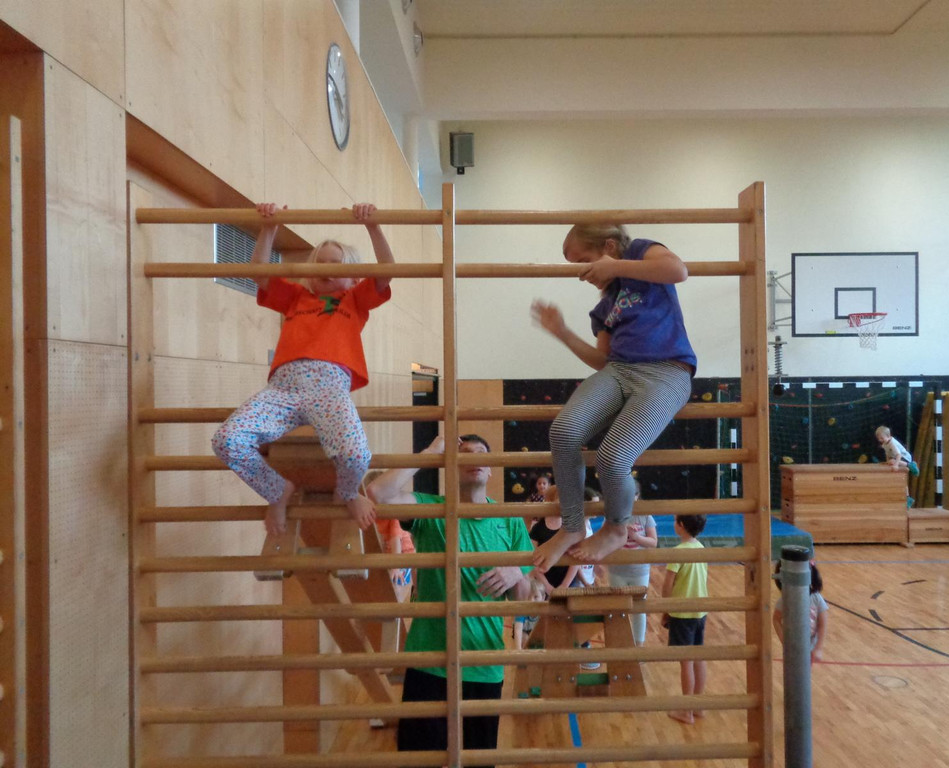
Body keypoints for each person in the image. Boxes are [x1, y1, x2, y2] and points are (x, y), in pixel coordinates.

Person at [212, 202, 394, 535]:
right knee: (227, 441)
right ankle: (277, 490)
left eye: (336, 264)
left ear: (354, 277)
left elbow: (386, 272)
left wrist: (373, 225)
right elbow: (259, 273)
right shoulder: (296, 297)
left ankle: (348, 493)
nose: (326, 269)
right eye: (319, 262)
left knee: (356, 456)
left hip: (330, 390)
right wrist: (269, 227)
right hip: (283, 390)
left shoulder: (354, 300)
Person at [531, 224, 696, 571]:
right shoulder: (605, 305)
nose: (584, 274)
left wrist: (616, 265)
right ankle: (573, 526)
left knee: (612, 457)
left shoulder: (640, 254)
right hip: (619, 371)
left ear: (608, 246)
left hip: (667, 371)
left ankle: (617, 528)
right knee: (563, 432)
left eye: (585, 262)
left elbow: (678, 270)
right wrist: (562, 332)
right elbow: (602, 359)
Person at [366, 434, 532, 763]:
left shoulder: (510, 519)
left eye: (480, 453)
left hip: (483, 666)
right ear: (451, 467)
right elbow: (376, 493)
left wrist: (516, 572)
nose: (473, 458)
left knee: (478, 762)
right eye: (464, 453)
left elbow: (524, 601)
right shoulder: (432, 509)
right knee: (418, 759)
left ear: (491, 468)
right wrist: (432, 451)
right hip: (429, 663)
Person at [661, 514, 708, 725]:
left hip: (682, 613)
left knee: (686, 661)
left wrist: (665, 609)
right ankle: (697, 705)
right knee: (698, 656)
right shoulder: (700, 548)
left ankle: (687, 711)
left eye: (675, 521)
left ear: (680, 525)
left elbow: (667, 584)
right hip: (700, 611)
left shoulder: (678, 552)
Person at [604, 478, 657, 646]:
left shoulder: (645, 516)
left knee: (639, 609)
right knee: (618, 608)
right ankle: (619, 642)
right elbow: (606, 539)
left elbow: (653, 542)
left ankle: (638, 646)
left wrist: (636, 537)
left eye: (631, 495)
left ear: (637, 496)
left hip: (639, 570)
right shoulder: (614, 515)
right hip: (617, 570)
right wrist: (623, 532)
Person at [771, 559, 828, 664]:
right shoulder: (785, 600)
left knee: (805, 669)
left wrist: (818, 648)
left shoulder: (816, 598)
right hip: (792, 644)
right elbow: (776, 619)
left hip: (810, 643)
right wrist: (784, 641)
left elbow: (822, 623)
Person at [875, 426, 918, 508]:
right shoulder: (884, 444)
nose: (880, 440)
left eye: (882, 438)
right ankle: (908, 498)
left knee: (892, 461)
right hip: (897, 458)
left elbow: (899, 454)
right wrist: (887, 462)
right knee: (902, 479)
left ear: (888, 436)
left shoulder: (892, 443)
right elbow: (887, 453)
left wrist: (896, 465)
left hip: (905, 458)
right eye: (879, 438)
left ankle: (910, 465)